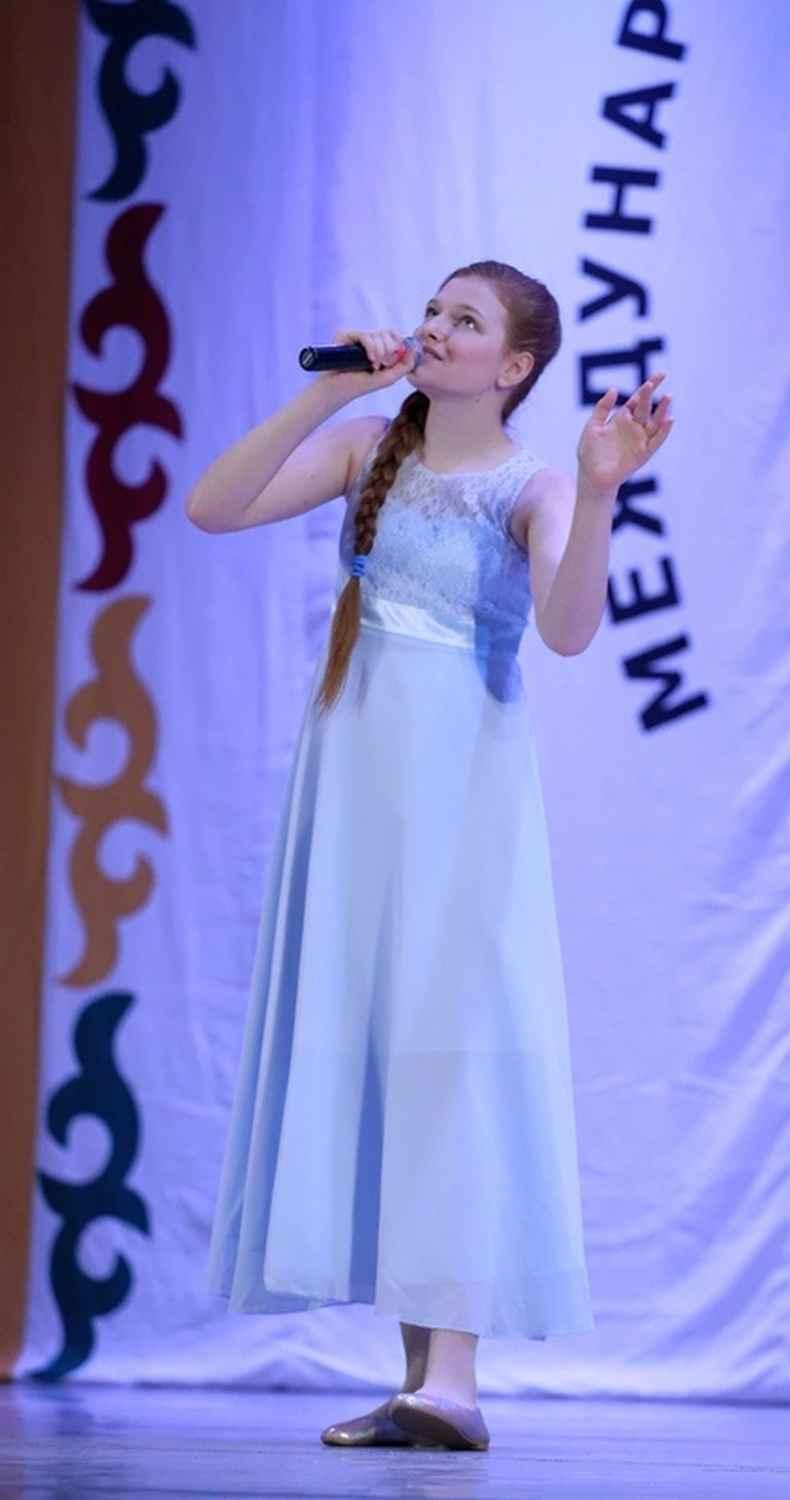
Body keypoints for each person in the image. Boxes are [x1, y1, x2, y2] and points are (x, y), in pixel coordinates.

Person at [187, 259, 673, 1453]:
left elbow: (568, 631)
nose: (436, 329)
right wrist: (328, 393)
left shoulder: (530, 484)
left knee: (448, 1050)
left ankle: (453, 1380)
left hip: (460, 802)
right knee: (382, 1047)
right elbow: (213, 506)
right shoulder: (367, 447)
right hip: (355, 787)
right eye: (435, 311)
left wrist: (600, 493)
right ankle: (425, 1386)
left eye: (467, 321)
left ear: (515, 365)